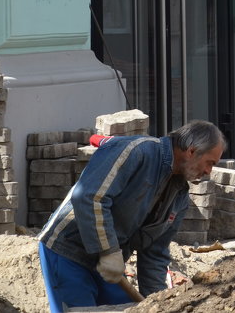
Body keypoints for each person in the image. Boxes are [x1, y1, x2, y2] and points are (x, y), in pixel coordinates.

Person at [38, 120, 225, 307]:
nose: (209, 171)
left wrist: (157, 303)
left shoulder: (179, 197)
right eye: (210, 163)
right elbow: (88, 197)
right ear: (191, 151)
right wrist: (108, 251)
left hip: (110, 265)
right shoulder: (137, 152)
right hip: (68, 251)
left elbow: (154, 254)